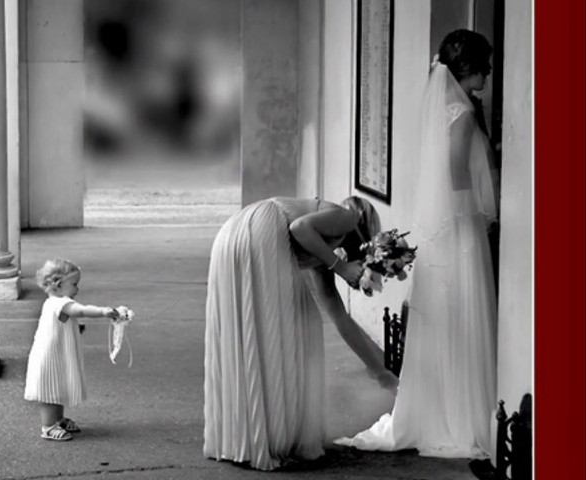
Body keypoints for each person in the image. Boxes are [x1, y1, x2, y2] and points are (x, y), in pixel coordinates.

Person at [335, 29, 499, 458]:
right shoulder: (460, 113)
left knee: (449, 321)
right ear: (467, 68)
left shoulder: (449, 108)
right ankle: (461, 418)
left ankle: (442, 411)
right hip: (460, 231)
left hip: (446, 231)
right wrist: (482, 219)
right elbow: (458, 178)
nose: (489, 74)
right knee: (463, 318)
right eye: (485, 66)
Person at [203, 195, 399, 471]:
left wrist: (379, 372)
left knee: (261, 331)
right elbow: (298, 228)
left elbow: (338, 315)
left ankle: (255, 436)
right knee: (288, 332)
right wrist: (341, 266)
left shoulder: (323, 250)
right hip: (260, 229)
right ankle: (275, 435)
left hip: (232, 236)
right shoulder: (348, 215)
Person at [24, 258, 122, 442]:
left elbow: (64, 321)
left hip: (57, 353)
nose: (78, 289)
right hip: (50, 355)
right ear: (58, 285)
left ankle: (58, 419)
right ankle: (48, 426)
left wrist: (76, 328)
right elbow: (81, 311)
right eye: (74, 284)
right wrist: (103, 311)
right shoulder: (59, 303)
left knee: (57, 386)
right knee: (49, 392)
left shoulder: (58, 303)